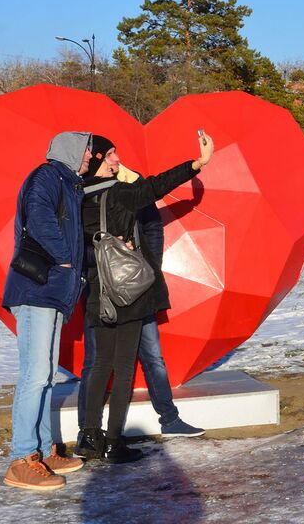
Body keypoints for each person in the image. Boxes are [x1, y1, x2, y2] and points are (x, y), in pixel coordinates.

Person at [74, 132, 213, 463]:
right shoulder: (120, 193)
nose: (117, 161)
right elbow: (156, 186)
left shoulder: (75, 197)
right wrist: (197, 164)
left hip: (96, 291)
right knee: (123, 368)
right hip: (127, 291)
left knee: (98, 367)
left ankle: (88, 438)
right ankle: (113, 442)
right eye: (111, 155)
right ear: (96, 159)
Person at [0, 131, 92, 491]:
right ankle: (21, 459)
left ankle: (42, 450)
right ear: (71, 151)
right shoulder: (47, 176)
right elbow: (38, 218)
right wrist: (66, 258)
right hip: (36, 289)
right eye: (87, 151)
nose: (90, 157)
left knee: (47, 376)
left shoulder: (69, 183)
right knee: (35, 375)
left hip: (52, 291)